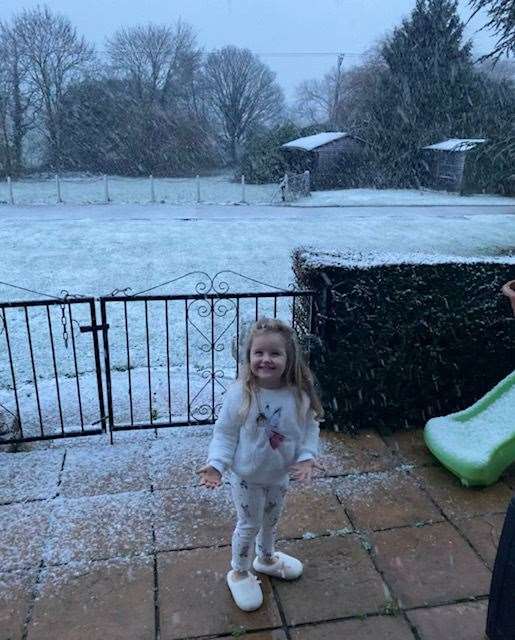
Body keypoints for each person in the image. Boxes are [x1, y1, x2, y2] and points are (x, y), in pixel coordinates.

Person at [197, 317, 324, 612]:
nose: (266, 359)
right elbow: (225, 434)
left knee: (271, 520)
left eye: (275, 353)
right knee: (249, 524)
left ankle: (265, 558)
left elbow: (309, 429)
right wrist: (216, 464)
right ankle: (239, 571)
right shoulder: (241, 394)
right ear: (248, 356)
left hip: (280, 475)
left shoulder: (299, 395)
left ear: (288, 357)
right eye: (259, 353)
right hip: (246, 477)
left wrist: (306, 457)